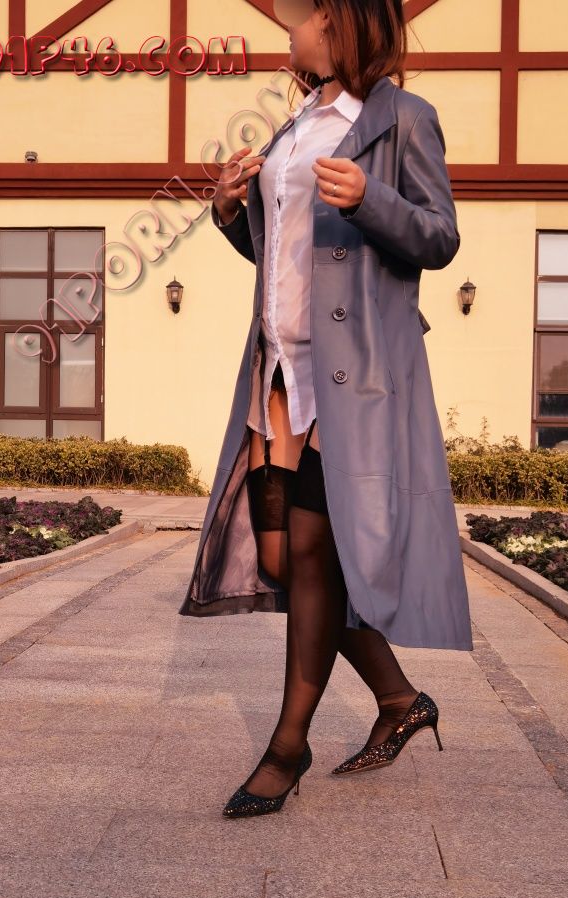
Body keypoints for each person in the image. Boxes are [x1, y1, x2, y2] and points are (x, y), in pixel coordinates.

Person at [208, 0, 457, 819]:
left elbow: (439, 237)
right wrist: (228, 210)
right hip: (279, 366)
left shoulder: (403, 118)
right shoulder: (294, 127)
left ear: (341, 22)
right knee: (283, 558)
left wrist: (368, 201)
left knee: (313, 552)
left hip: (351, 373)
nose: (290, 26)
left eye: (304, 12)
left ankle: (286, 749)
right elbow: (281, 249)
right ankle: (399, 699)